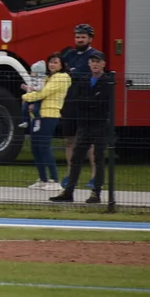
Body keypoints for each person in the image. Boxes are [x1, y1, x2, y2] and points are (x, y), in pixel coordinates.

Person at [51, 51, 112, 204]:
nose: (95, 64)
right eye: (93, 61)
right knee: (76, 158)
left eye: (98, 62)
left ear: (103, 64)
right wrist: (90, 101)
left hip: (99, 124)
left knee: (98, 158)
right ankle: (69, 191)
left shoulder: (107, 82)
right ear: (89, 64)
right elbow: (77, 100)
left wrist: (88, 102)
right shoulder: (84, 81)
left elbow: (102, 103)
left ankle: (96, 193)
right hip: (84, 125)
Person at [21, 52, 70, 191]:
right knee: (35, 147)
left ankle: (54, 180)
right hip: (37, 116)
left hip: (49, 115)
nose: (52, 64)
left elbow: (43, 93)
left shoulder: (62, 77)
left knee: (44, 146)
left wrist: (26, 96)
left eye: (56, 62)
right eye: (51, 62)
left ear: (61, 65)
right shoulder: (48, 77)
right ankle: (42, 178)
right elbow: (38, 90)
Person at [61, 23, 98, 190]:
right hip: (69, 101)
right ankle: (70, 176)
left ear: (90, 38)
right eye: (77, 37)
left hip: (86, 103)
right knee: (69, 140)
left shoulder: (95, 56)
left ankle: (94, 177)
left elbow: (87, 74)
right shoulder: (69, 54)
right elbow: (62, 71)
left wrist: (73, 73)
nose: (80, 40)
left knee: (89, 141)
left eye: (83, 37)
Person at [20, 60, 47, 130]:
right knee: (24, 108)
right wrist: (25, 88)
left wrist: (33, 88)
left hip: (37, 98)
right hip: (31, 97)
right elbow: (29, 89)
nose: (31, 73)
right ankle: (25, 121)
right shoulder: (32, 79)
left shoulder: (41, 80)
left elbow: (40, 88)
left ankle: (37, 123)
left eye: (33, 72)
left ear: (38, 73)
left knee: (35, 110)